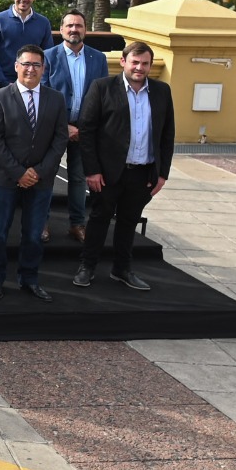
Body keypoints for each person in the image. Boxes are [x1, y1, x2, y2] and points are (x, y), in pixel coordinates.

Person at [74, 41, 175, 291]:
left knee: (129, 222)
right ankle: (87, 267)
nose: (139, 68)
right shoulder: (102, 87)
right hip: (107, 174)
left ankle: (122, 269)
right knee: (99, 220)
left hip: (143, 172)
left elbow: (167, 135)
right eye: (135, 62)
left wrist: (163, 174)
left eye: (145, 64)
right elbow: (87, 131)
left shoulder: (162, 91)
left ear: (150, 66)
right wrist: (92, 170)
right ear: (123, 62)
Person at [0, 44, 68, 302]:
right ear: (16, 66)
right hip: (5, 178)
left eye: (36, 65)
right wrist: (19, 172)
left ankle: (29, 279)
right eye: (26, 64)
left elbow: (60, 138)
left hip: (40, 181)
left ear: (44, 69)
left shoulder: (56, 99)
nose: (31, 69)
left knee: (33, 234)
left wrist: (38, 172)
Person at [0, 0, 53, 194]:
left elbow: (46, 55)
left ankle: (23, 173)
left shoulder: (43, 23)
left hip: (31, 86)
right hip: (2, 85)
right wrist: (5, 82)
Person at [44, 9, 110, 243]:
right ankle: (42, 223)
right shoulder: (48, 57)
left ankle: (77, 224)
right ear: (61, 30)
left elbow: (103, 96)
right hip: (53, 129)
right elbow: (42, 96)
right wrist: (64, 126)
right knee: (47, 176)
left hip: (85, 130)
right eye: (69, 26)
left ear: (85, 30)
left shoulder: (98, 58)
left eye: (79, 26)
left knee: (79, 179)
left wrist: (85, 128)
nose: (74, 30)